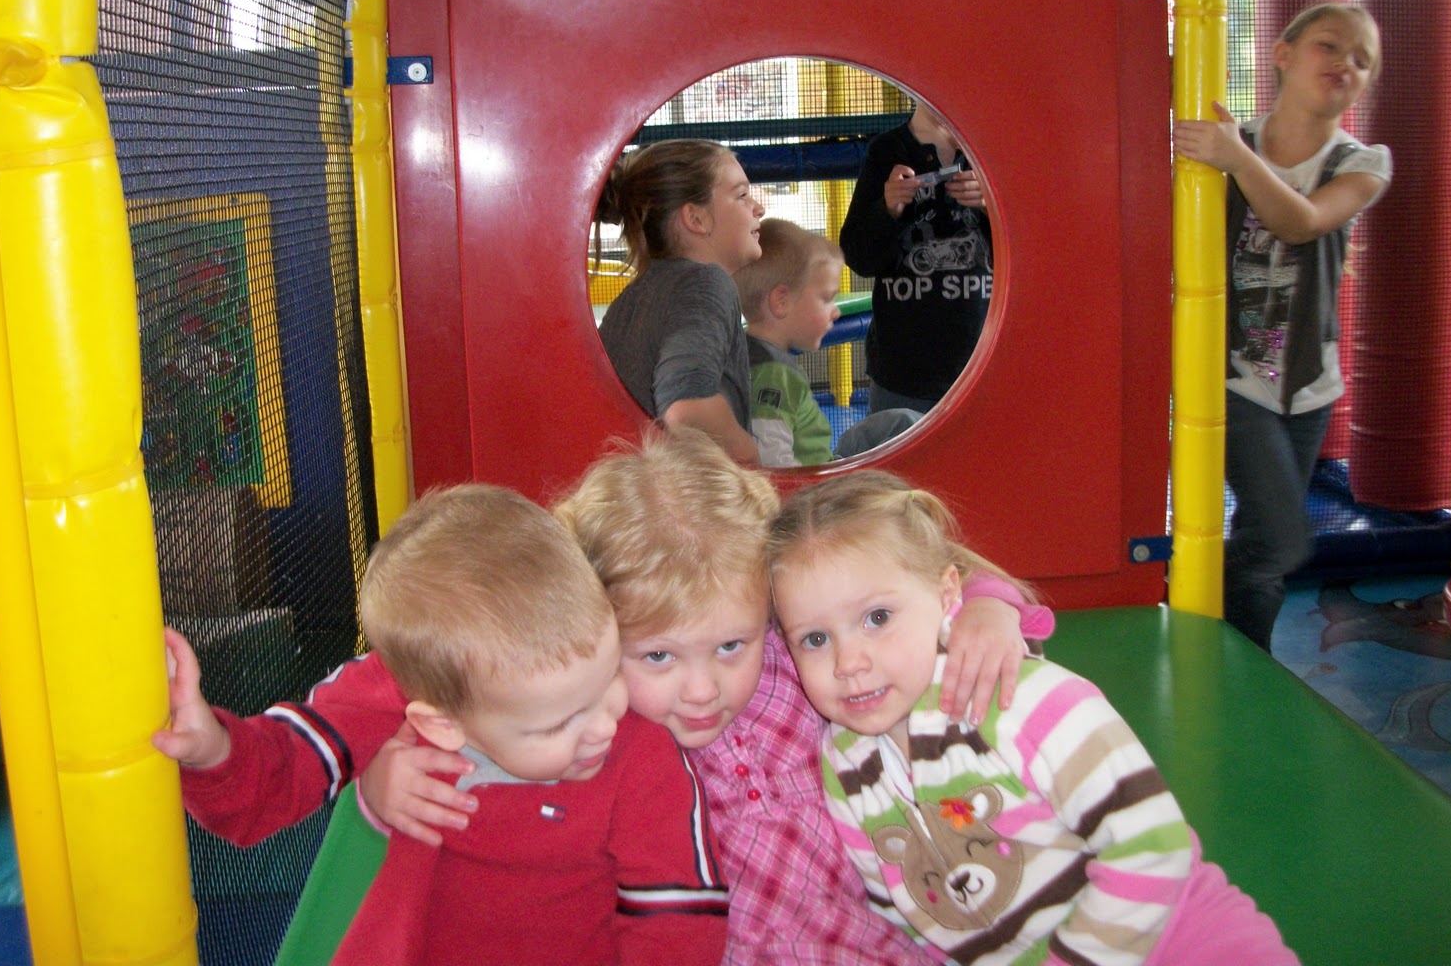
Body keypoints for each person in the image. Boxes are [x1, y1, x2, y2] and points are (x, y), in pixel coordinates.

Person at [366, 428, 1051, 965]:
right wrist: (379, 785)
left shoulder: (800, 660)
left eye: (730, 646)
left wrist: (989, 607)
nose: (701, 691)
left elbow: (913, 575)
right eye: (658, 656)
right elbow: (458, 686)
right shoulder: (590, 731)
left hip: (885, 942)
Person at [152, 485, 727, 966]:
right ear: (443, 722)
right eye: (560, 723)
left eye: (608, 680)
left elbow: (679, 916)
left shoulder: (644, 760)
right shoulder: (416, 680)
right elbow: (282, 770)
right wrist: (211, 749)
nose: (606, 723)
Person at [766, 470, 1297, 966]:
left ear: (947, 593)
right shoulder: (843, 762)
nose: (848, 662)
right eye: (815, 638)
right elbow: (903, 912)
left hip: (1185, 940)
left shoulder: (1023, 700)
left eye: (877, 617)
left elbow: (1152, 849)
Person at [1173, 3, 1391, 652]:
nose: (1345, 64)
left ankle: (1246, 664)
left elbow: (1303, 222)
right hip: (1230, 378)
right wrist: (1226, 154)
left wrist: (1237, 159)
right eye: (1330, 46)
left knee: (1266, 555)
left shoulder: (1363, 162)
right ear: (1283, 54)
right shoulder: (1226, 145)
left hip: (1306, 388)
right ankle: (1185, 592)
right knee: (1281, 537)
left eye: (1362, 60)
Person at [597, 138, 765, 464]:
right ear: (696, 219)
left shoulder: (632, 299)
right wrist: (751, 459)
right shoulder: (705, 283)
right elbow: (687, 410)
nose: (758, 208)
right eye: (741, 196)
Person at [839, 102, 992, 415]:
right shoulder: (887, 151)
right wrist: (888, 208)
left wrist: (991, 205)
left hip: (983, 358)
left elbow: (1032, 248)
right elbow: (858, 256)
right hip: (904, 369)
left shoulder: (992, 150)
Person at [734, 218, 919, 466]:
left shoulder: (753, 354)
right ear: (781, 301)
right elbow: (772, 463)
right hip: (816, 478)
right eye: (827, 298)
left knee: (901, 422)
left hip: (825, 461)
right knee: (905, 428)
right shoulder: (773, 374)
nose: (836, 311)